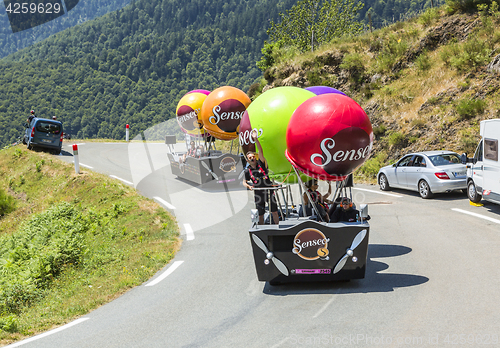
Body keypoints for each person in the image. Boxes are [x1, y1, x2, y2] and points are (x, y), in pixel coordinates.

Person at [242, 136, 279, 225]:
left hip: (269, 191)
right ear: (247, 160)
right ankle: (261, 228)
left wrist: (256, 139)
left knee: (274, 211)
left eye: (253, 156)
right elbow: (244, 182)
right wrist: (248, 186)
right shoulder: (247, 171)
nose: (252, 158)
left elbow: (260, 151)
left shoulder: (261, 163)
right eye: (250, 158)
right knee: (260, 214)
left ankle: (278, 227)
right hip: (258, 193)